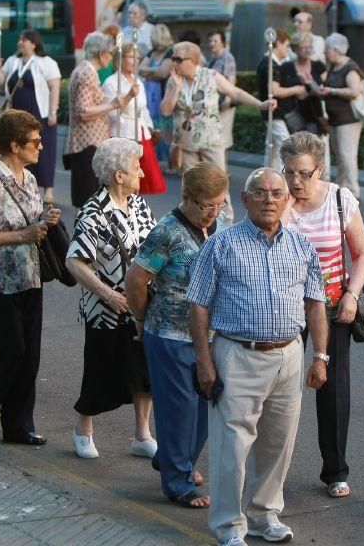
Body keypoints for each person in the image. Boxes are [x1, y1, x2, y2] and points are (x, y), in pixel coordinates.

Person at [188, 167, 328, 546]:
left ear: (288, 200)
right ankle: (229, 527)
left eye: (277, 193)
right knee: (231, 447)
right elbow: (198, 307)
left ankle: (265, 516)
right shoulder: (221, 244)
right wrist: (204, 361)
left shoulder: (301, 246)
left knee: (278, 445)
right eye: (261, 193)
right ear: (245, 199)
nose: (270, 199)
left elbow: (316, 304)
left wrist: (322, 356)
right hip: (237, 355)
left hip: (289, 355)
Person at [126, 162, 229, 507]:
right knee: (179, 410)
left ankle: (171, 459)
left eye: (220, 203)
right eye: (206, 205)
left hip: (210, 335)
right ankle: (178, 483)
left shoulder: (219, 225)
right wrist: (142, 320)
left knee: (207, 406)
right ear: (187, 197)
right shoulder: (167, 231)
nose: (213, 212)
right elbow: (136, 281)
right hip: (170, 334)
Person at [280, 132, 364, 499]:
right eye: (288, 172)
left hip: (332, 307)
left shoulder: (339, 199)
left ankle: (335, 470)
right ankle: (271, 468)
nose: (296, 182)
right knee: (280, 388)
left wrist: (351, 294)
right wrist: (283, 205)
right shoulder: (277, 200)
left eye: (304, 173)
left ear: (320, 169)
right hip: (283, 308)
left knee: (332, 388)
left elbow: (363, 255)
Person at [0, 109, 61, 445]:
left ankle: (19, 425)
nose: (40, 147)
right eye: (34, 142)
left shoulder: (30, 180)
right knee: (9, 354)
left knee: (29, 357)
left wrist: (45, 219)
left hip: (30, 278)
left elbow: (31, 223)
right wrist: (22, 235)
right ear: (14, 145)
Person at [66, 138, 158, 460]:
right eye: (136, 168)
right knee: (100, 369)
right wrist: (108, 294)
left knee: (142, 372)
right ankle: (83, 429)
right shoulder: (93, 211)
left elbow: (155, 245)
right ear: (119, 175)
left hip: (139, 305)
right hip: (105, 310)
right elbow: (75, 262)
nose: (142, 174)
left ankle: (142, 434)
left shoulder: (139, 205)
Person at [161, 40, 275, 172]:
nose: (174, 63)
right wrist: (176, 89)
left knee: (218, 187)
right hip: (185, 146)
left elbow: (236, 93)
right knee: (192, 190)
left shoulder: (211, 76)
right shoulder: (173, 80)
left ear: (192, 60)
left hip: (211, 143)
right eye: (173, 58)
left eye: (178, 59)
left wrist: (260, 104)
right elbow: (165, 111)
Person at [0, 29, 61, 205]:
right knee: (20, 150)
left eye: (23, 40)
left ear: (33, 43)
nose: (20, 43)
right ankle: (23, 186)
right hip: (17, 113)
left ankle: (48, 189)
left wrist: (53, 111)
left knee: (43, 150)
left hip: (40, 113)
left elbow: (54, 87)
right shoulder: (12, 61)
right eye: (20, 40)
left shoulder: (46, 62)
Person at [103, 42, 165, 195]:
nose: (136, 60)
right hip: (124, 136)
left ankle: (135, 214)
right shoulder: (111, 83)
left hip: (141, 134)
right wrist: (129, 95)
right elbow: (111, 114)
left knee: (139, 182)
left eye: (138, 57)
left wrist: (151, 128)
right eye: (132, 56)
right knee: (125, 182)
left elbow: (143, 109)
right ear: (121, 58)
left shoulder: (139, 82)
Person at [67, 32, 118, 207]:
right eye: (110, 53)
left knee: (88, 196)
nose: (111, 58)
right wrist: (112, 105)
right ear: (101, 53)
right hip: (87, 143)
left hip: (89, 141)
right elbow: (83, 110)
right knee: (88, 198)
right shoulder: (87, 73)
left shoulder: (86, 71)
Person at [318, 33, 364, 198]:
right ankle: (342, 188)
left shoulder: (350, 68)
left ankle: (353, 191)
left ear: (336, 49)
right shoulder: (334, 67)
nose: (325, 53)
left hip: (348, 120)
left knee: (347, 155)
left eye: (327, 49)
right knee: (341, 156)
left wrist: (332, 91)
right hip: (335, 120)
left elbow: (355, 91)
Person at [281, 32, 329, 173]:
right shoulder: (287, 67)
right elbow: (281, 91)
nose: (308, 50)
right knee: (296, 149)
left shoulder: (318, 66)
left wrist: (310, 84)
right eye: (303, 47)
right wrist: (296, 90)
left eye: (310, 47)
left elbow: (325, 90)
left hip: (313, 114)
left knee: (314, 150)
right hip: (294, 114)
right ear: (295, 49)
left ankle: (316, 177)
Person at [256, 29, 292, 170]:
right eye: (287, 45)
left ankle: (267, 176)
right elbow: (274, 90)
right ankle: (280, 178)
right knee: (285, 145)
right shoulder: (270, 63)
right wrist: (297, 89)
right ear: (279, 43)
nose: (287, 50)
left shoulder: (267, 61)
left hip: (271, 111)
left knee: (272, 149)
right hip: (273, 111)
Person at [138, 24, 175, 164]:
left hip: (162, 94)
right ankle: (155, 159)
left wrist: (149, 72)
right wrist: (154, 71)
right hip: (150, 93)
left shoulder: (169, 53)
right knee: (152, 125)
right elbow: (140, 68)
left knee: (166, 128)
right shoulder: (152, 52)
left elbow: (163, 73)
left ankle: (168, 159)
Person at [207, 30, 237, 152]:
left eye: (215, 41)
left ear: (223, 43)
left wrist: (228, 99)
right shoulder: (213, 57)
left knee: (222, 139)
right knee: (217, 138)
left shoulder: (227, 57)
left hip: (225, 102)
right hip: (216, 102)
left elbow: (232, 79)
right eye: (210, 41)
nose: (212, 43)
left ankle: (223, 170)